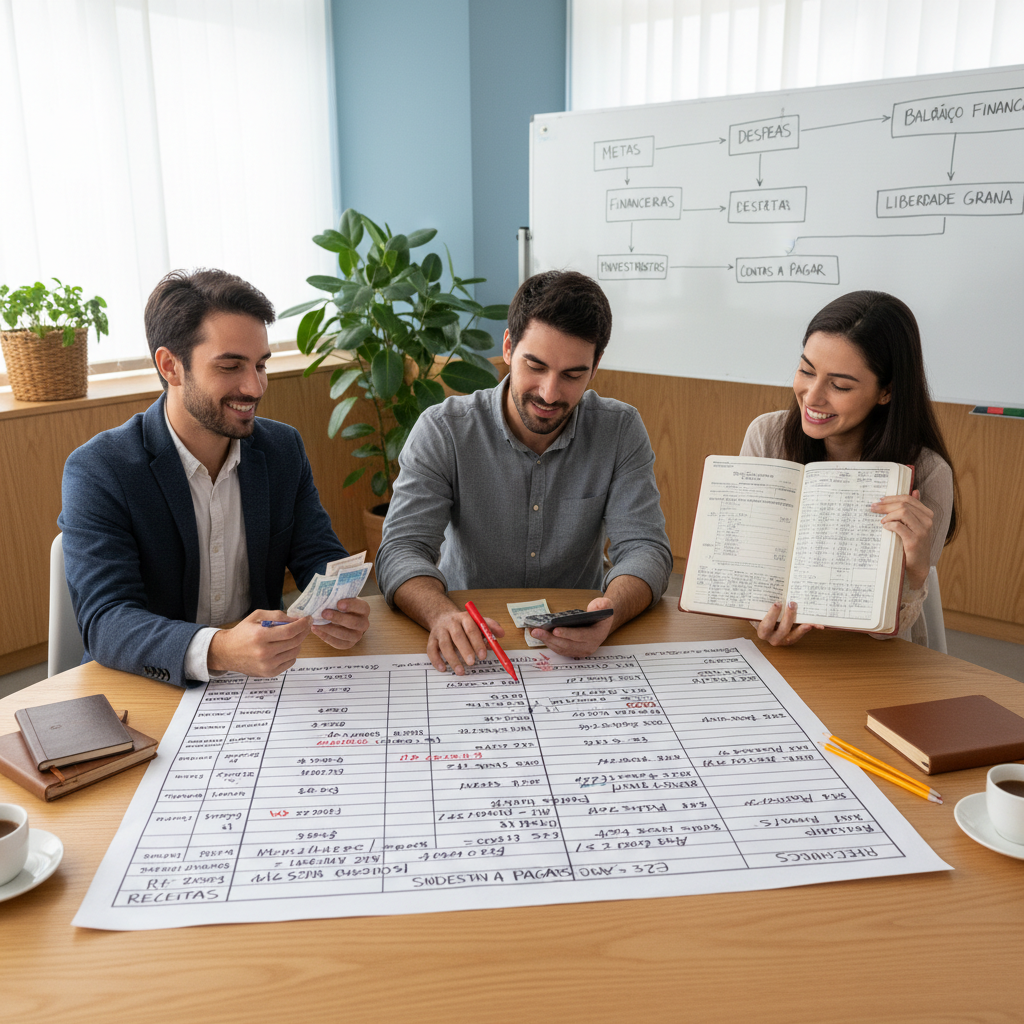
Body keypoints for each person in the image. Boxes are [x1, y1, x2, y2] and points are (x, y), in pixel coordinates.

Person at [59, 269, 370, 686]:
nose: (255, 387)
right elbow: (107, 621)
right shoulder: (100, 469)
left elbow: (317, 553)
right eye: (230, 366)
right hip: (147, 685)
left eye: (261, 365)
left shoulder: (282, 449)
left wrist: (341, 606)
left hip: (259, 685)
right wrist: (218, 649)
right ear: (171, 366)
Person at [375, 270, 673, 674]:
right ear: (508, 346)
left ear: (595, 366)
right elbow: (401, 549)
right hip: (471, 634)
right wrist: (440, 615)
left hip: (579, 643)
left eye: (572, 375)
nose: (550, 393)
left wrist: (611, 613)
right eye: (535, 366)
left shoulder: (619, 429)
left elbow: (646, 548)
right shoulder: (443, 430)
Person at [740, 290, 958, 647]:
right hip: (780, 649)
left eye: (839, 385)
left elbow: (884, 633)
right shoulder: (767, 436)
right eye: (806, 370)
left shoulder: (928, 473)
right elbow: (751, 570)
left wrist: (917, 569)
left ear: (886, 391)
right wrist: (759, 619)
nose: (812, 397)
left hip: (874, 654)